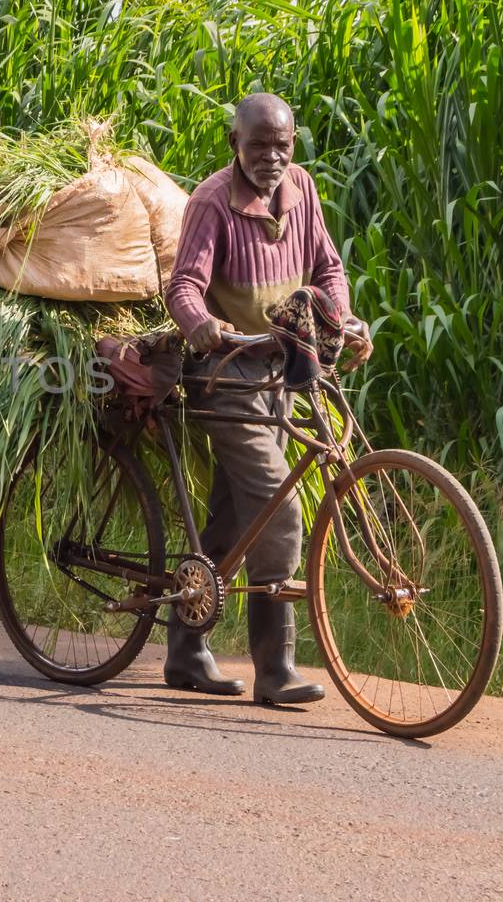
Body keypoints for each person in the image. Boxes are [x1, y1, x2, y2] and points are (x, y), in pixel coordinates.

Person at [162, 93, 372, 705]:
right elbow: (184, 286)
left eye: (281, 146)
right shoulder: (212, 203)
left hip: (281, 371)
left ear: (294, 144)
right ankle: (275, 669)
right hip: (225, 376)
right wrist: (200, 323)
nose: (270, 158)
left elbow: (328, 269)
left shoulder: (301, 189)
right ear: (236, 144)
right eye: (258, 146)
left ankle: (184, 653)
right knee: (279, 508)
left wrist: (343, 317)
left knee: (236, 516)